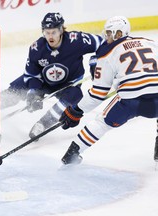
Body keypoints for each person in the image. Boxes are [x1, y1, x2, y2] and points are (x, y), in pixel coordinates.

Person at [59, 15, 158, 165]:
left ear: (119, 34)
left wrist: (75, 111)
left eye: (110, 33)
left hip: (131, 101)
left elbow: (98, 94)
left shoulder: (108, 53)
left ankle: (72, 154)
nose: (107, 36)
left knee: (101, 123)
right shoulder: (150, 42)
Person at [0, 12, 103, 139]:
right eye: (47, 32)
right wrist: (33, 92)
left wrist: (95, 62)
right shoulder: (36, 48)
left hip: (68, 85)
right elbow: (31, 74)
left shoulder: (76, 40)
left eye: (53, 32)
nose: (50, 36)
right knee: (18, 88)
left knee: (75, 96)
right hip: (42, 82)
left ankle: (42, 124)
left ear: (61, 30)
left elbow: (102, 43)